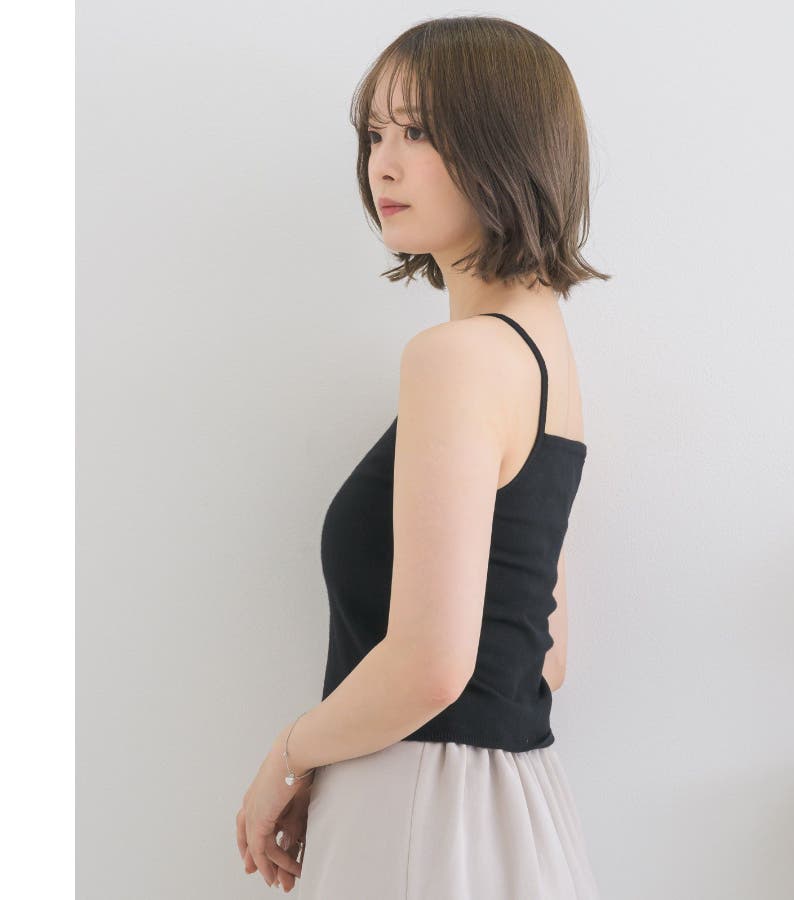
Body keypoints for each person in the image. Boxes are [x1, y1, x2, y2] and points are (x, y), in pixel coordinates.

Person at [236, 14, 611, 897]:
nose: (384, 164)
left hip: (416, 810)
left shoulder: (457, 359)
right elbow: (543, 653)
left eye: (420, 132)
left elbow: (432, 666)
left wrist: (290, 754)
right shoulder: (545, 356)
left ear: (507, 147)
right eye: (376, 133)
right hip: (518, 810)